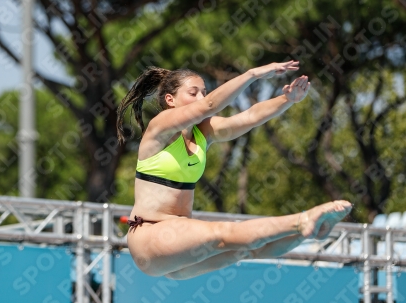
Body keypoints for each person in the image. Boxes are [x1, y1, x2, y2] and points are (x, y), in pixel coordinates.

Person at [116, 61, 352, 280]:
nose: (201, 97)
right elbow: (209, 106)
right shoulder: (160, 127)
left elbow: (249, 117)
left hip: (177, 250)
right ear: (170, 99)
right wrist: (252, 74)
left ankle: (309, 231)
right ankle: (301, 220)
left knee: (246, 251)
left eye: (204, 91)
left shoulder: (203, 133)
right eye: (193, 92)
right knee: (224, 232)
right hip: (150, 236)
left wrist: (287, 100)